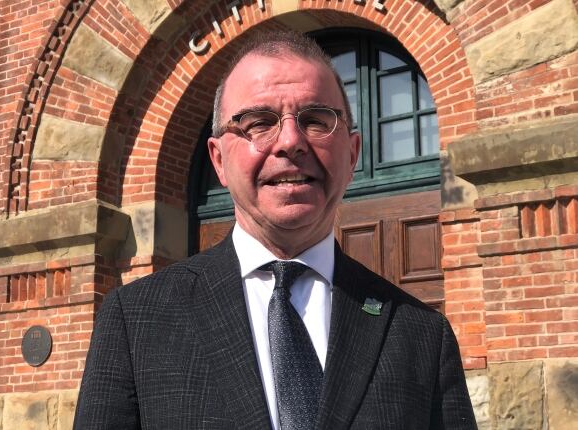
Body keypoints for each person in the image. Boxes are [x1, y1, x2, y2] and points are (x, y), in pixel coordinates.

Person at [74, 30, 477, 429]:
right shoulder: (136, 320)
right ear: (217, 160)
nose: (290, 141)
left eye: (317, 120)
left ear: (353, 154)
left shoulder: (422, 334)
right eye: (259, 122)